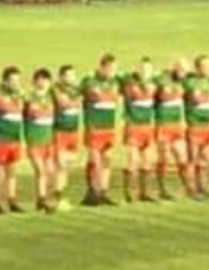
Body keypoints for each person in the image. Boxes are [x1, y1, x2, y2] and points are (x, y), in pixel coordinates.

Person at [81, 54, 121, 206]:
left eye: (114, 69)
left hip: (109, 127)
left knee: (107, 160)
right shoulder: (90, 82)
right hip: (94, 127)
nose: (113, 71)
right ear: (102, 67)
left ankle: (103, 191)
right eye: (110, 68)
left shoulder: (115, 82)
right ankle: (92, 191)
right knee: (95, 161)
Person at [155, 60, 195, 200]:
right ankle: (162, 189)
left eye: (184, 70)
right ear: (174, 68)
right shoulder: (163, 80)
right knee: (164, 159)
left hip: (177, 127)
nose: (182, 73)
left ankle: (189, 189)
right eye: (180, 70)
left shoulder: (184, 82)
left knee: (183, 159)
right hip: (163, 126)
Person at [121, 58, 158, 203]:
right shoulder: (130, 84)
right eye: (142, 68)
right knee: (133, 160)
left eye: (148, 69)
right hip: (133, 126)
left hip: (147, 126)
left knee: (147, 160)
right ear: (137, 69)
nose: (145, 71)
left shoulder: (153, 84)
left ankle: (145, 192)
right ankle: (129, 193)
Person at [0, 66, 25, 213]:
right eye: (13, 80)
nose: (16, 83)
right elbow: (4, 107)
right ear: (5, 81)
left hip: (15, 138)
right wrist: (16, 102)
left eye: (18, 80)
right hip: (1, 137)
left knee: (12, 171)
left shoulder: (17, 94)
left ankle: (12, 200)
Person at [24, 69, 57, 212]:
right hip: (34, 140)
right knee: (41, 170)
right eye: (40, 79)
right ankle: (42, 200)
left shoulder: (51, 96)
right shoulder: (28, 98)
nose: (43, 83)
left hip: (48, 140)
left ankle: (44, 199)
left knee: (49, 171)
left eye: (46, 80)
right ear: (34, 81)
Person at [52, 65, 83, 211]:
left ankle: (62, 195)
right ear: (61, 77)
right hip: (60, 132)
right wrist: (76, 101)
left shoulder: (76, 90)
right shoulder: (57, 89)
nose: (71, 78)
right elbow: (63, 103)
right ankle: (57, 197)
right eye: (68, 75)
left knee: (69, 165)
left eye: (73, 75)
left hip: (73, 132)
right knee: (61, 165)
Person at [184, 55, 209, 197]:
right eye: (205, 66)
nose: (208, 69)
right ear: (198, 68)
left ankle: (204, 187)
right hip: (195, 125)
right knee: (193, 158)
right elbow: (196, 98)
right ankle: (192, 189)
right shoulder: (191, 82)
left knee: (206, 158)